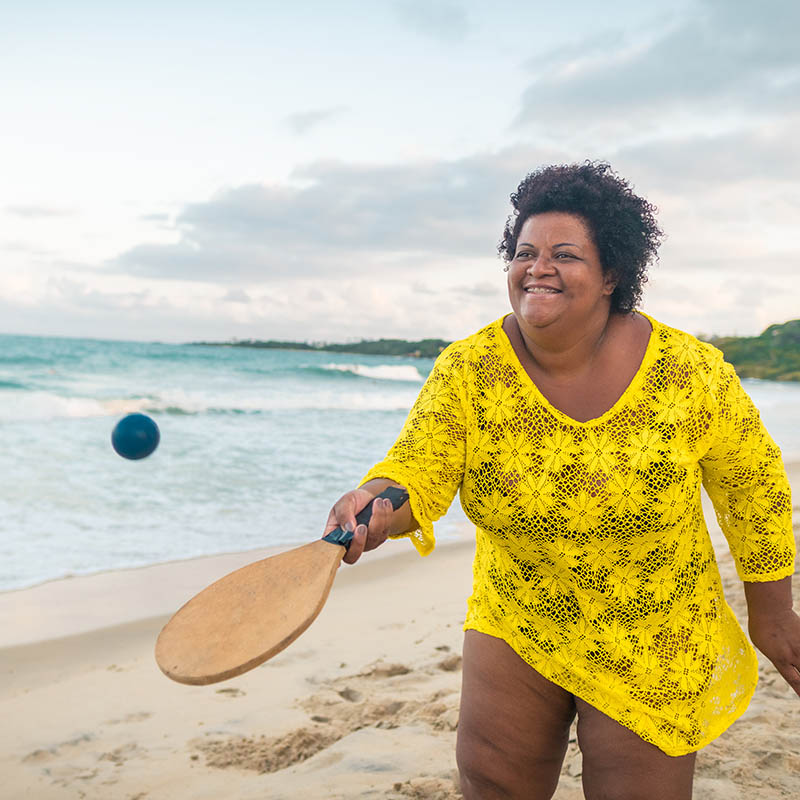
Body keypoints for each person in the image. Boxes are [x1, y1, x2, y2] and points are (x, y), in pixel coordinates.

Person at [323, 162, 798, 800]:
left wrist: (772, 615)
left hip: (654, 622)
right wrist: (377, 504)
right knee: (491, 782)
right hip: (520, 608)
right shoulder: (470, 369)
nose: (537, 267)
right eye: (524, 253)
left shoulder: (689, 373)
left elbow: (753, 489)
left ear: (611, 275)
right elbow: (418, 469)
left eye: (564, 254)